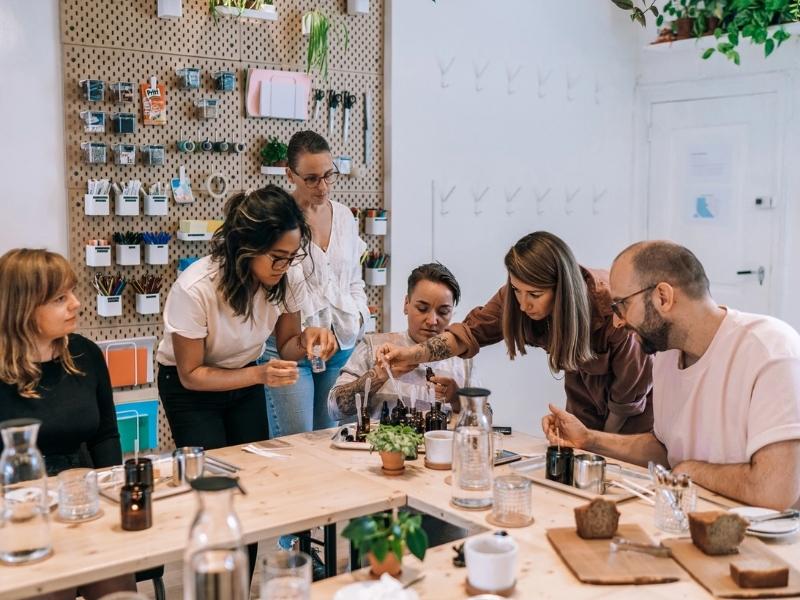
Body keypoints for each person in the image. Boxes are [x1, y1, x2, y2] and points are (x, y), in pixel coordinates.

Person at [542, 241, 800, 509]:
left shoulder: (770, 349)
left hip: (764, 541)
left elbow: (775, 492)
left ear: (663, 297)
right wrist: (589, 439)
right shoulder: (665, 356)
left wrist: (691, 470)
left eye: (621, 305)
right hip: (693, 518)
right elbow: (666, 450)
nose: (617, 321)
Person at [378, 231, 653, 433]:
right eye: (517, 291)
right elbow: (469, 332)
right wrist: (411, 354)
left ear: (563, 290)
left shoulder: (611, 311)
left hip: (631, 420)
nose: (523, 304)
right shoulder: (516, 296)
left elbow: (627, 399)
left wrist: (599, 444)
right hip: (583, 408)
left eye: (534, 294)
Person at [0, 249, 136, 599]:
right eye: (60, 298)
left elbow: (105, 435)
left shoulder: (85, 354)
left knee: (117, 588)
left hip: (85, 504)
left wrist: (114, 500)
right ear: (24, 307)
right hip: (19, 516)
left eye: (72, 292)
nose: (76, 304)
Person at [157, 185, 337, 450]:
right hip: (191, 389)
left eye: (292, 256)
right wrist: (258, 375)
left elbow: (287, 346)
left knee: (254, 466)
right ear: (247, 245)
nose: (285, 266)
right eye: (277, 257)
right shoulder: (196, 288)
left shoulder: (289, 275)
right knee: (212, 472)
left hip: (246, 375)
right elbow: (192, 375)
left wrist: (306, 341)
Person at [260, 130, 370, 437]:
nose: (322, 187)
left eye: (328, 175)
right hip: (289, 348)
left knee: (332, 443)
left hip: (340, 346)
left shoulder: (346, 217)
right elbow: (270, 288)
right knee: (296, 445)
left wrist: (358, 317)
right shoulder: (277, 221)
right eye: (311, 179)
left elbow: (354, 281)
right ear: (290, 174)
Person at [328, 263, 467, 420]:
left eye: (443, 312)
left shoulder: (462, 358)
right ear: (406, 304)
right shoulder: (373, 347)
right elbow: (334, 409)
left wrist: (457, 399)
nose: (432, 321)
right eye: (422, 308)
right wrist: (378, 375)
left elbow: (486, 418)